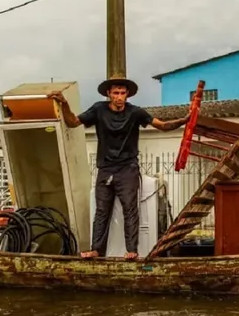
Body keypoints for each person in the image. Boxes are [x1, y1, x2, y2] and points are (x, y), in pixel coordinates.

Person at [49, 75, 190, 261]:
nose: (119, 96)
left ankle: (132, 251)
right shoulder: (99, 109)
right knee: (101, 211)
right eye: (116, 93)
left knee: (130, 210)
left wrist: (184, 120)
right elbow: (73, 122)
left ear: (128, 95)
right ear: (109, 94)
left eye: (123, 93)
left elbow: (162, 126)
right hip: (105, 168)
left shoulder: (135, 112)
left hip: (128, 168)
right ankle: (96, 250)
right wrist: (64, 103)